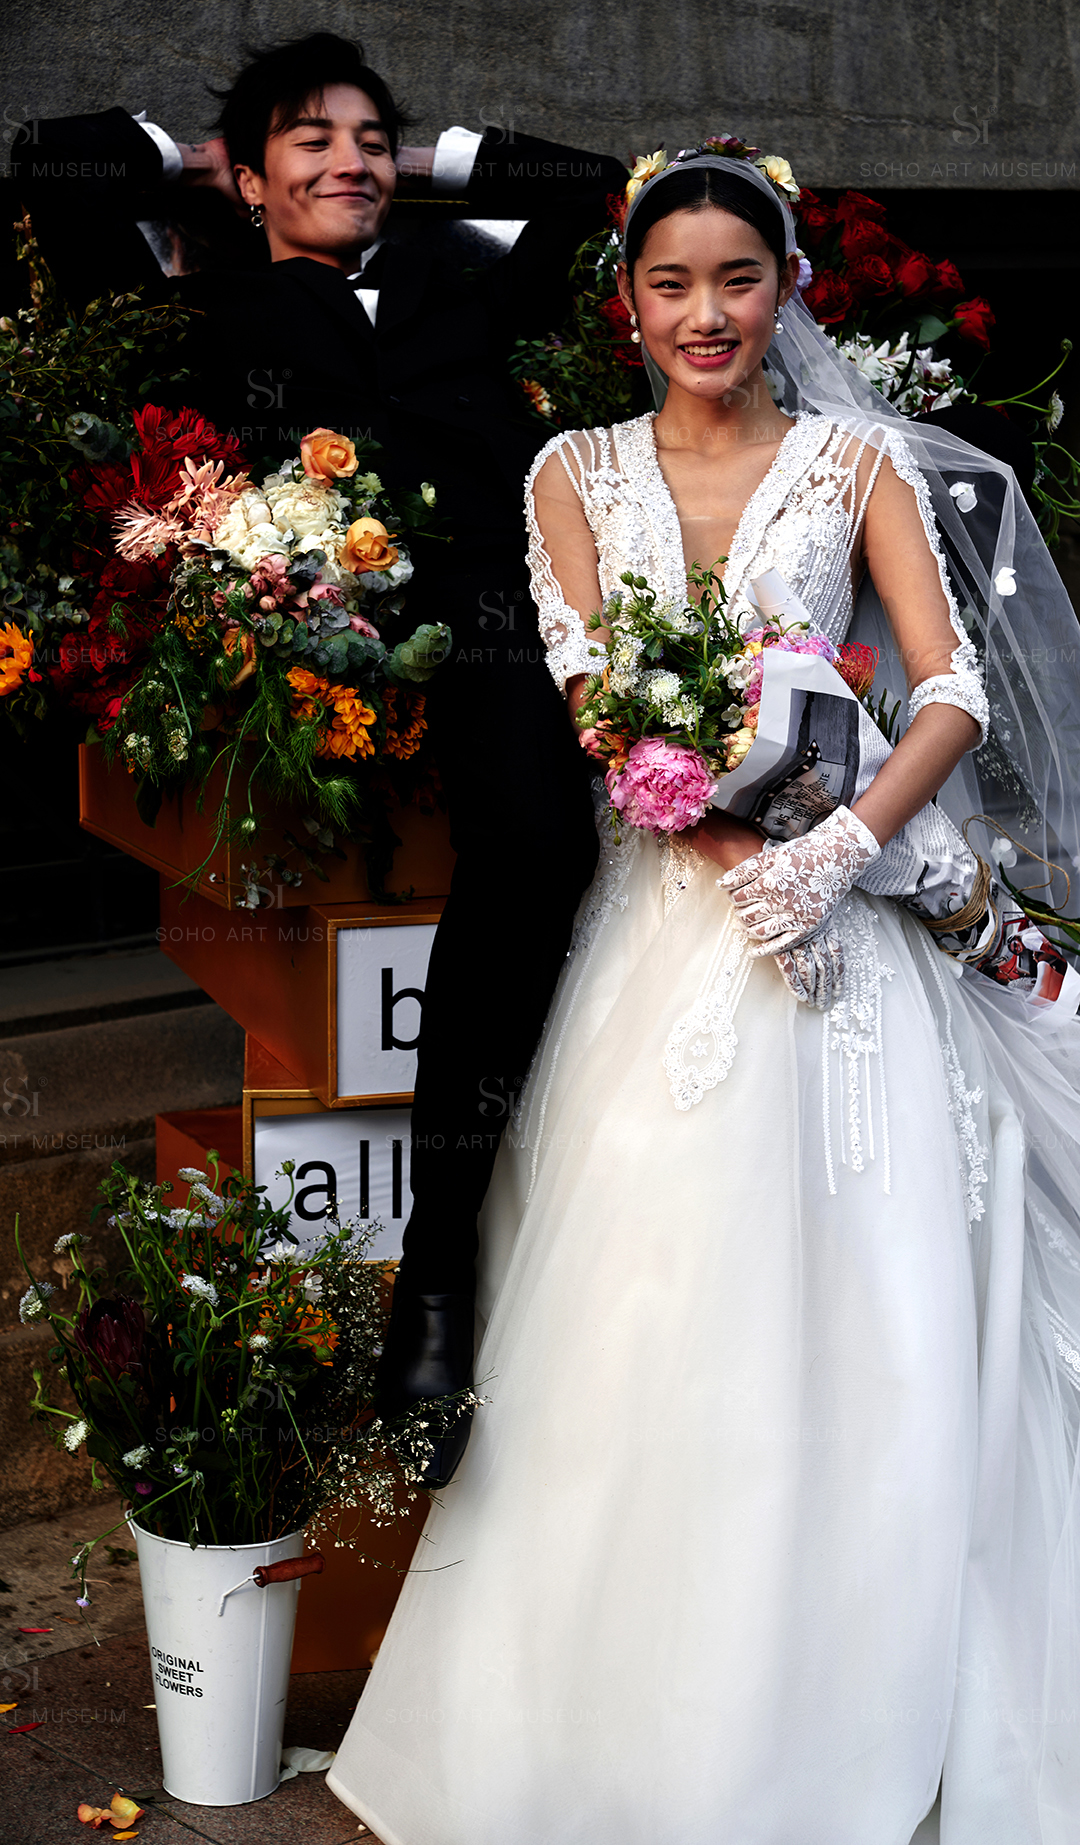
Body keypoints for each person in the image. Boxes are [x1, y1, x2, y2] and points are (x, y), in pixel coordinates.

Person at [325, 143, 1080, 1843]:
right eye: (672, 283)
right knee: (644, 1297)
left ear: (786, 287)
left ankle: (855, 1703)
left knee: (874, 1305)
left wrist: (843, 849)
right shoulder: (571, 472)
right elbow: (600, 709)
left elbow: (949, 689)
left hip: (846, 925)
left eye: (738, 278)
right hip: (662, 924)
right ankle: (616, 1734)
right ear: (627, 302)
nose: (707, 313)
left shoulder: (855, 460)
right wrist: (733, 850)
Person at [10, 37, 629, 1466]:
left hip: (494, 611)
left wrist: (416, 164)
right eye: (312, 139)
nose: (351, 159)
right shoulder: (199, 301)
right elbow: (54, 163)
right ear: (248, 179)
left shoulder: (461, 284)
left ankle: (435, 1271)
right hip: (318, 617)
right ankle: (428, 1287)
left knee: (544, 846)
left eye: (369, 137)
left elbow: (590, 186)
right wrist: (203, 164)